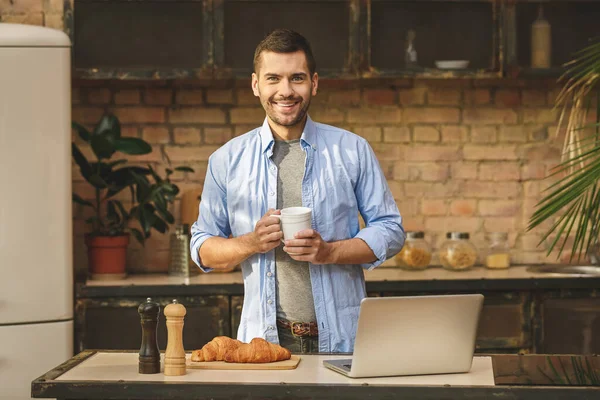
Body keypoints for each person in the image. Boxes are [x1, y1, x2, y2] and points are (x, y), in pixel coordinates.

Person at [190, 29, 404, 353]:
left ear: (314, 83)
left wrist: (328, 252)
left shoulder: (352, 150)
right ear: (255, 85)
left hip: (344, 341)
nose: (285, 91)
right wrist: (251, 242)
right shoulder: (226, 161)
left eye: (297, 78)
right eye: (273, 78)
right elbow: (203, 247)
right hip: (263, 344)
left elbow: (391, 230)